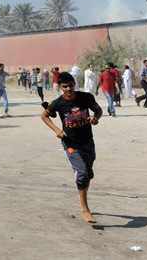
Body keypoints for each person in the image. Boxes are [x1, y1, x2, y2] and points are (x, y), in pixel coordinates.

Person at [41, 72, 103, 223]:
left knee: (88, 174)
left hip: (87, 141)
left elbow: (98, 110)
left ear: (75, 84)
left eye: (71, 85)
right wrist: (57, 130)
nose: (68, 89)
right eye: (65, 87)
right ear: (60, 87)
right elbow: (45, 115)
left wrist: (95, 118)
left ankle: (81, 194)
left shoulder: (86, 97)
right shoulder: (58, 103)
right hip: (70, 143)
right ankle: (85, 211)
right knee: (81, 173)